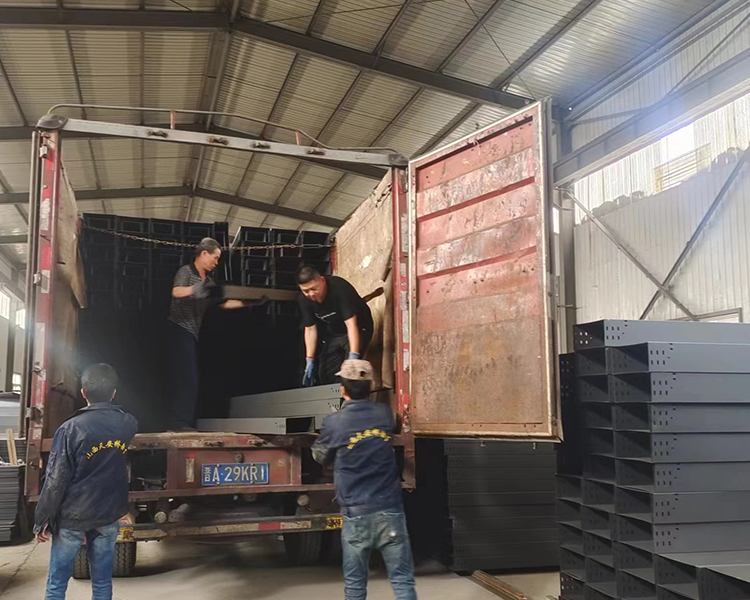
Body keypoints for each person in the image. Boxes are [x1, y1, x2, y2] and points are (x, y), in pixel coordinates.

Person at [312, 360, 416, 600]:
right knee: (402, 580)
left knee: (355, 585)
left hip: (356, 513)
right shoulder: (385, 414)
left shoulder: (335, 422)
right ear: (370, 387)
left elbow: (320, 456)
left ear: (343, 389)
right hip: (390, 509)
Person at [34, 364, 139, 600]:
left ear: (83, 393)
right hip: (108, 514)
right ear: (113, 393)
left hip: (73, 517)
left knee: (56, 585)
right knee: (102, 582)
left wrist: (42, 519)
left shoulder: (70, 429)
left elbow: (55, 479)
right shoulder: (127, 423)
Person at [167, 237, 244, 430]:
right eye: (215, 258)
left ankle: (183, 421)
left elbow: (221, 304)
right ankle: (178, 423)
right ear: (204, 254)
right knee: (187, 379)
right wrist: (196, 289)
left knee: (191, 379)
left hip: (192, 334)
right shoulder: (186, 271)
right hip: (179, 328)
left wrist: (247, 302)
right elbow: (176, 291)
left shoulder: (209, 281)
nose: (216, 263)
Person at [298, 266, 374, 386]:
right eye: (306, 291)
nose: (311, 294)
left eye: (314, 289)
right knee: (326, 374)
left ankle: (350, 392)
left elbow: (351, 324)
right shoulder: (304, 300)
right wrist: (309, 359)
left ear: (322, 280)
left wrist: (353, 357)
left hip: (358, 326)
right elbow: (310, 329)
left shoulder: (339, 288)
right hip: (335, 330)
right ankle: (335, 395)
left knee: (350, 374)